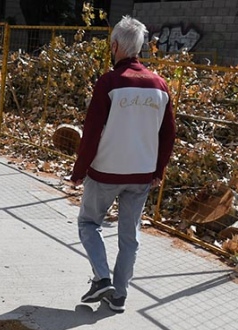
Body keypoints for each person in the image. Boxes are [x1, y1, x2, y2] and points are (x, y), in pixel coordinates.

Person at [69, 15, 176, 312]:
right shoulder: (160, 85)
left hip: (105, 171)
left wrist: (79, 172)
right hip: (141, 174)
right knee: (130, 236)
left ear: (115, 45)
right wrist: (159, 171)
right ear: (140, 47)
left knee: (89, 223)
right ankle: (120, 295)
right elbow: (169, 134)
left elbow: (91, 133)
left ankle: (102, 278)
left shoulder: (109, 82)